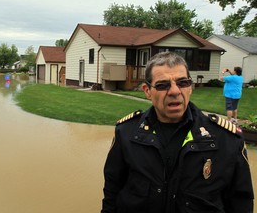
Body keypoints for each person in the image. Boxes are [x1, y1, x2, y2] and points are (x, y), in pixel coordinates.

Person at [101, 52, 254, 213]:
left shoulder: (226, 138)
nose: (174, 91)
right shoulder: (126, 133)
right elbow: (112, 191)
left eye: (182, 82)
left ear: (190, 87)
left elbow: (241, 202)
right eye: (163, 85)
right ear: (147, 91)